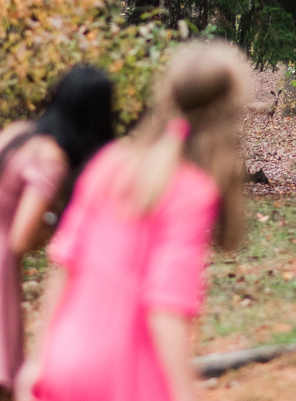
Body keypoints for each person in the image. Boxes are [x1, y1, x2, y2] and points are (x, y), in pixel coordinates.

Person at [17, 40, 250, 401]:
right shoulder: (192, 192)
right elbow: (165, 307)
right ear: (230, 113)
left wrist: (38, 359)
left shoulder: (107, 164)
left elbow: (63, 264)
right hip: (130, 375)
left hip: (63, 363)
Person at [0, 66, 115, 401]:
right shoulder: (50, 157)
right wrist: (59, 219)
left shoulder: (16, 134)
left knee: (2, 383)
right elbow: (22, 237)